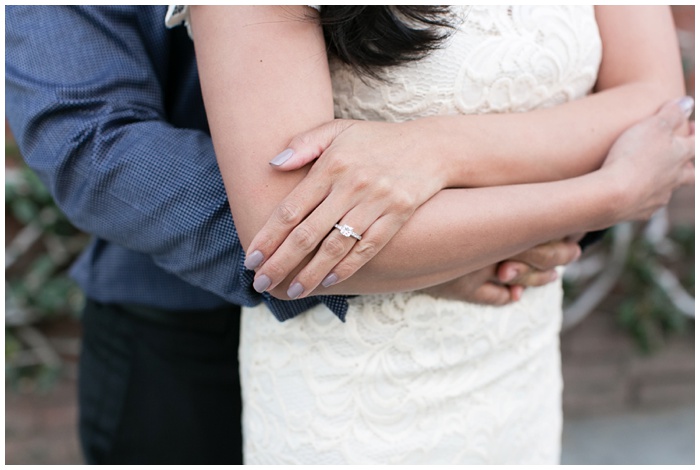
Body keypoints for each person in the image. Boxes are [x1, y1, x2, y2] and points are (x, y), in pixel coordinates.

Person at [5, 5, 580, 465]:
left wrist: (505, 221)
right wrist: (383, 250)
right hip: (179, 332)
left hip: (483, 351)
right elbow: (89, 137)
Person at [186, 5, 694, 463]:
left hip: (519, 368)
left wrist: (434, 151)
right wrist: (610, 192)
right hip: (353, 403)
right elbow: (295, 243)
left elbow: (655, 101)